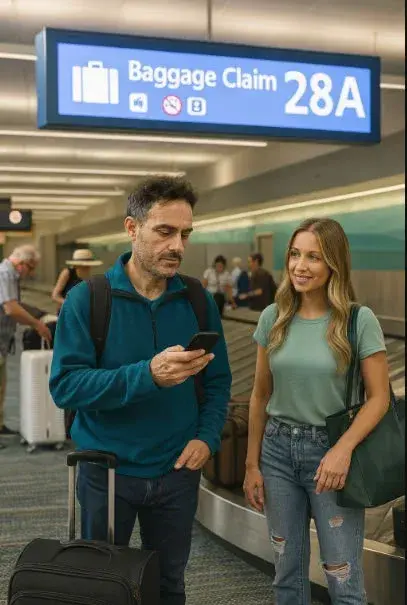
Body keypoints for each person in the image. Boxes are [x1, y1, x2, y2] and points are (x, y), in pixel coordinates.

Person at [50, 176, 232, 605]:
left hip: (177, 472)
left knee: (169, 586)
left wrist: (206, 438)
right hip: (107, 472)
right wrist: (147, 375)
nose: (178, 246)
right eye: (165, 231)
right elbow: (66, 386)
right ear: (132, 229)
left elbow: (219, 380)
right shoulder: (88, 300)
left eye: (185, 234)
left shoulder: (196, 300)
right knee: (103, 587)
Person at [243, 218, 390, 605]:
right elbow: (259, 395)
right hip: (276, 452)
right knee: (286, 574)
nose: (300, 266)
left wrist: (343, 449)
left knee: (342, 577)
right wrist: (251, 465)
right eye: (295, 254)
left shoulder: (358, 320)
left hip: (332, 454)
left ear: (334, 265)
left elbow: (379, 398)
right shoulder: (273, 318)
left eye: (314, 257)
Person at [0, 245, 52, 444]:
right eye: (30, 268)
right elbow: (11, 308)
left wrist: (39, 314)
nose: (31, 273)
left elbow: (17, 305)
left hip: (3, 341)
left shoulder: (10, 276)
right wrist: (37, 324)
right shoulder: (5, 274)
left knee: (1, 385)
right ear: (21, 264)